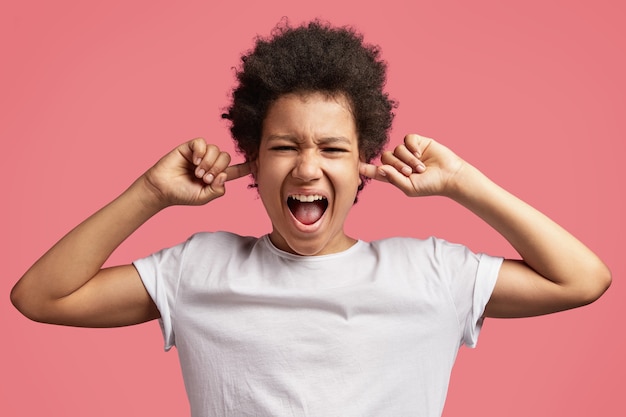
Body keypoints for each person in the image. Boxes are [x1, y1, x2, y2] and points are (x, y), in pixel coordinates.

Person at [11, 20, 611, 417]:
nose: (306, 168)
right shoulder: (200, 268)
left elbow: (581, 279)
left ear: (362, 166)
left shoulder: (429, 272)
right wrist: (148, 192)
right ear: (252, 158)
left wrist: (463, 184)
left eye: (331, 149)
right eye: (282, 147)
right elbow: (41, 297)